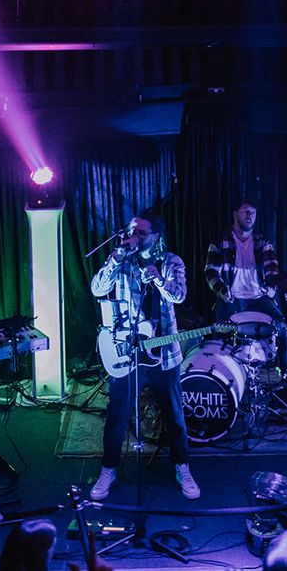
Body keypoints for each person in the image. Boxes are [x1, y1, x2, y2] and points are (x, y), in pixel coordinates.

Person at [89, 210, 200, 501]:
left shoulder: (172, 261)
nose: (134, 236)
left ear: (155, 236)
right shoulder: (122, 259)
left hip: (163, 352)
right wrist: (114, 259)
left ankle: (182, 467)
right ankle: (108, 469)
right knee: (117, 414)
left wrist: (159, 280)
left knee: (175, 415)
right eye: (132, 231)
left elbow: (179, 296)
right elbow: (97, 288)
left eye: (141, 232)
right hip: (129, 349)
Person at [204, 200, 287, 369]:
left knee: (282, 329)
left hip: (258, 298)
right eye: (245, 212)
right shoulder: (221, 241)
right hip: (232, 298)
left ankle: (286, 375)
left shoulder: (262, 242)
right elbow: (211, 271)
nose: (250, 215)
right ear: (235, 214)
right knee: (218, 334)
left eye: (252, 212)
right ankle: (222, 374)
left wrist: (271, 287)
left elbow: (272, 269)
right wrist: (222, 290)